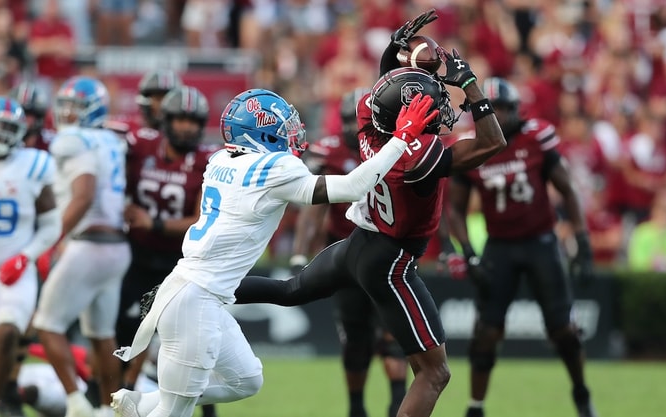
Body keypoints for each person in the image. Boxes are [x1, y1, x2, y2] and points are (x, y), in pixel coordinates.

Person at [231, 16, 507, 417]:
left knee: (289, 291)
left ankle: (201, 288)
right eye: (430, 107)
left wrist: (390, 54)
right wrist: (468, 84)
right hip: (391, 262)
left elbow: (385, 92)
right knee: (435, 374)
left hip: (356, 245)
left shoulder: (368, 116)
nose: (439, 110)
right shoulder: (418, 157)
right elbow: (492, 141)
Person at [110, 87, 437, 417]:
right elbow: (353, 187)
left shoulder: (220, 159)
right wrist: (401, 138)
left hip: (193, 291)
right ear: (260, 135)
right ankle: (158, 404)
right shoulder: (272, 169)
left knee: (246, 380)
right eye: (281, 129)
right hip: (196, 300)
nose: (290, 134)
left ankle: (143, 402)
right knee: (176, 411)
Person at [444, 78, 597, 417]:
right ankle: (476, 406)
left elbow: (568, 189)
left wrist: (582, 240)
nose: (499, 115)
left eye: (505, 109)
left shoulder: (536, 136)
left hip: (541, 241)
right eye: (492, 109)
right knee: (485, 332)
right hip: (499, 246)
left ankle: (581, 394)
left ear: (516, 110)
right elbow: (453, 208)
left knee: (563, 331)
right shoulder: (471, 145)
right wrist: (468, 252)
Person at [291, 87, 408, 417]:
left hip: (386, 252)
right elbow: (312, 209)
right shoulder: (329, 152)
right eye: (343, 119)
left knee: (392, 337)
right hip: (346, 255)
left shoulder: (393, 147)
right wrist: (301, 255)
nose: (348, 126)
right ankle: (357, 408)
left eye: (352, 119)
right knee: (356, 343)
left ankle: (396, 404)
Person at [31, 76, 131, 417]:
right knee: (101, 335)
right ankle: (107, 408)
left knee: (46, 325)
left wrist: (50, 239)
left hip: (88, 243)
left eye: (76, 108)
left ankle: (76, 404)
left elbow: (84, 195)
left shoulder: (73, 140)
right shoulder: (111, 140)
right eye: (65, 107)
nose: (68, 115)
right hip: (117, 244)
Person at [118, 85, 220, 417]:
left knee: (194, 346)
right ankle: (115, 398)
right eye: (180, 120)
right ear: (165, 120)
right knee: (123, 332)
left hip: (180, 264)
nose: (187, 128)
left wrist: (154, 223)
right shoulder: (142, 147)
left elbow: (200, 218)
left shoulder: (206, 161)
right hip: (136, 257)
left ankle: (205, 411)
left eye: (194, 121)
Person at [0, 96, 61, 417]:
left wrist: (25, 257)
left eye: (7, 128)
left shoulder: (35, 164)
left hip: (11, 270)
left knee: (8, 330)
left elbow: (51, 225)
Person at [8, 80, 54, 152]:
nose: (22, 118)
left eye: (27, 114)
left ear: (38, 117)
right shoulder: (5, 144)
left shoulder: (51, 143)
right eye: (18, 114)